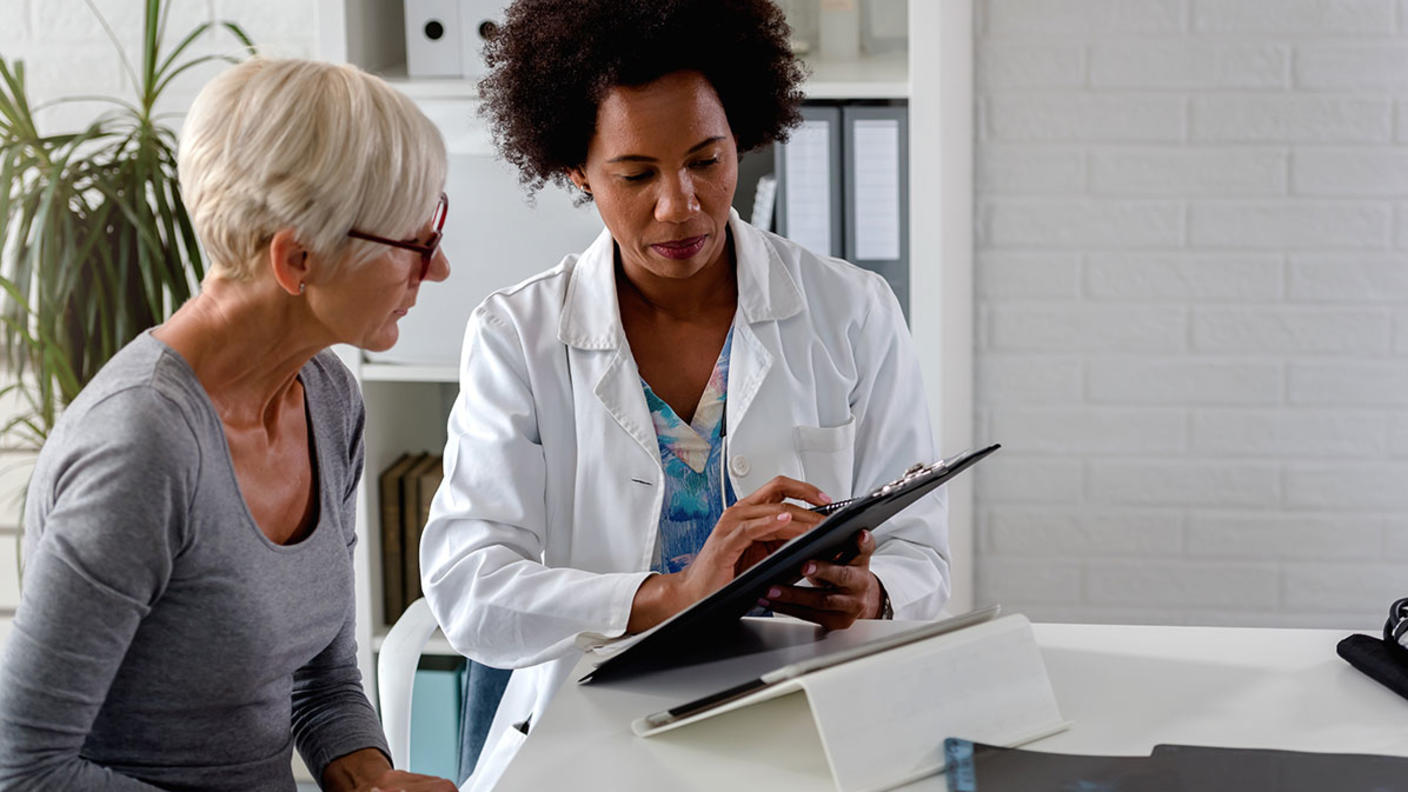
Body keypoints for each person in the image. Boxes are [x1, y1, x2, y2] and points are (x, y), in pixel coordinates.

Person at [419, 1, 949, 787]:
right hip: (595, 734)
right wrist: (669, 596)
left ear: (743, 136)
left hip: (812, 721)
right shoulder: (516, 337)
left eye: (706, 159)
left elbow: (922, 556)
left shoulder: (853, 311)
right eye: (636, 175)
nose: (680, 205)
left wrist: (873, 595)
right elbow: (471, 589)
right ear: (575, 169)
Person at [0, 58, 456, 792]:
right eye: (417, 244)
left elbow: (322, 682)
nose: (438, 269)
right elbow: (23, 772)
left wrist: (371, 779)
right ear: (297, 259)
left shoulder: (327, 398)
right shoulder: (141, 448)